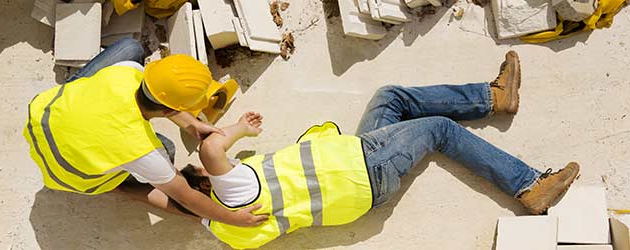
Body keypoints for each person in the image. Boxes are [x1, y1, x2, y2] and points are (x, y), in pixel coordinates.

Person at [187, 51, 580, 248]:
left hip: (357, 168)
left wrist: (181, 199)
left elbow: (176, 200)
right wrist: (238, 127)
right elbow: (212, 149)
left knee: (389, 97)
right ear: (207, 182)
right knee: (440, 130)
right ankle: (528, 186)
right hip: (364, 169)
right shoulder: (234, 190)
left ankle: (495, 97)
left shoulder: (227, 230)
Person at [23, 38, 267, 227]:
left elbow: (159, 99)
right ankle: (114, 186)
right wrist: (234, 219)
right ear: (171, 109)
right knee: (167, 152)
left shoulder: (126, 72)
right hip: (68, 174)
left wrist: (193, 125)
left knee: (130, 47)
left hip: (43, 117)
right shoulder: (144, 151)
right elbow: (187, 198)